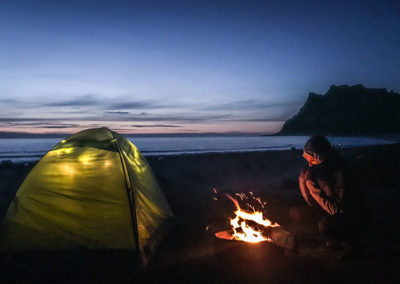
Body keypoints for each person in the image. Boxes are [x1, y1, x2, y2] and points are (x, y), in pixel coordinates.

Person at [296, 135, 369, 250]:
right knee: (297, 213)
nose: (310, 164)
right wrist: (302, 180)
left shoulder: (341, 171)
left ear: (319, 156)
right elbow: (311, 202)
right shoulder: (319, 169)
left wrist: (310, 184)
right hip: (331, 209)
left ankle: (352, 243)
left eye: (312, 160)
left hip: (352, 215)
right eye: (308, 161)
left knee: (325, 226)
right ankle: (332, 238)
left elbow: (336, 209)